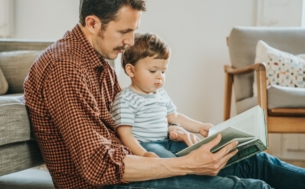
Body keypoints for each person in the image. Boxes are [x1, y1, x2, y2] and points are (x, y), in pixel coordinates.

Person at [23, 0, 305, 188]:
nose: (131, 42)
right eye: (125, 31)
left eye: (134, 31)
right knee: (249, 187)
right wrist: (186, 164)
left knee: (251, 160)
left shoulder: (95, 60)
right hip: (110, 182)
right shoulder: (66, 68)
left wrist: (180, 139)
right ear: (93, 23)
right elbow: (99, 166)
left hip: (135, 163)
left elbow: (126, 125)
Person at [110, 33, 213, 158]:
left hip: (167, 141)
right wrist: (144, 154)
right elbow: (125, 135)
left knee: (197, 150)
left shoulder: (161, 94)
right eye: (153, 71)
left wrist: (200, 126)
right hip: (147, 145)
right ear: (131, 70)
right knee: (170, 161)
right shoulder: (125, 100)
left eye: (163, 71)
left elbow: (174, 117)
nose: (160, 76)